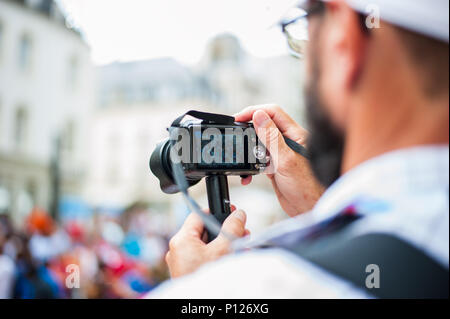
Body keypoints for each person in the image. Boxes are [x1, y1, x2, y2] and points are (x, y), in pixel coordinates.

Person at [147, 0, 449, 298]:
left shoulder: (257, 287)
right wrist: (324, 207)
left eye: (300, 35)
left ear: (342, 40)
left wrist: (197, 292)